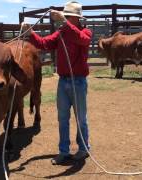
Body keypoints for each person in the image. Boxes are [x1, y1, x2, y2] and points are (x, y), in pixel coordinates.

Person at [23, 1, 92, 165]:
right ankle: (64, 151)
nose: (67, 18)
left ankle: (83, 149)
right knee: (62, 118)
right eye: (66, 16)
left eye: (70, 16)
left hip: (79, 82)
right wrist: (30, 32)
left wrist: (63, 22)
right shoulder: (61, 32)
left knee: (81, 118)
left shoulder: (85, 32)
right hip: (63, 81)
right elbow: (44, 43)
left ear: (77, 19)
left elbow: (81, 39)